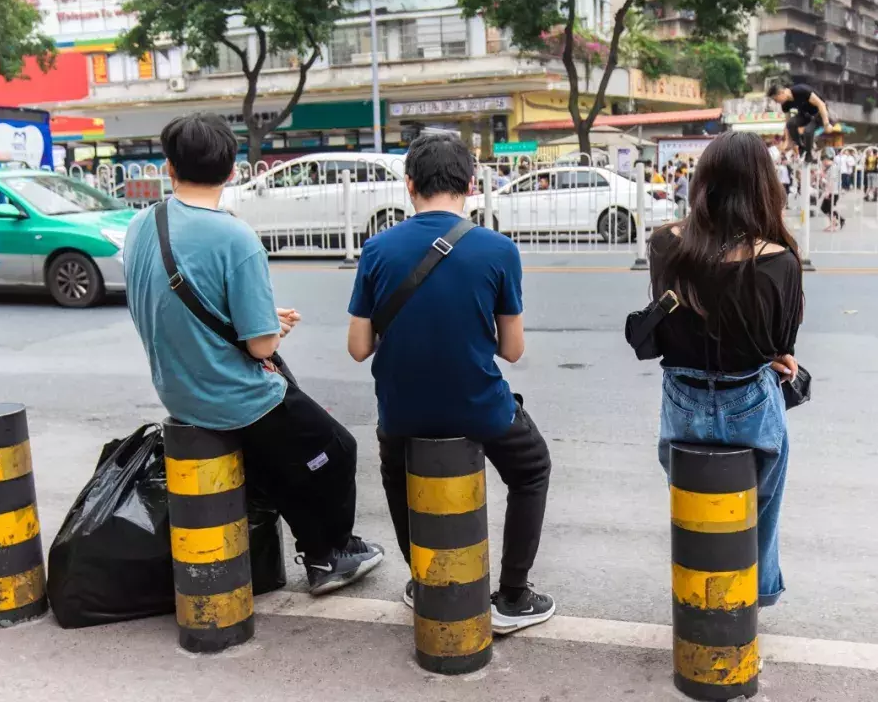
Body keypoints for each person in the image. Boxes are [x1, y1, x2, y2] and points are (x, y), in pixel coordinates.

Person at [123, 113, 384, 596]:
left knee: (284, 452)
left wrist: (258, 321)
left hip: (177, 387)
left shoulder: (143, 223)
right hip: (229, 394)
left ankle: (315, 549)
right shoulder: (234, 237)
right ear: (232, 171)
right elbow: (261, 346)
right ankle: (332, 553)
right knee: (336, 450)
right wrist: (269, 328)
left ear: (169, 168)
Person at [346, 134, 555, 635]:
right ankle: (512, 595)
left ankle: (425, 582)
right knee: (532, 470)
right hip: (478, 406)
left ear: (409, 185)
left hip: (401, 412)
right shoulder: (498, 249)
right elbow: (512, 349)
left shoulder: (378, 248)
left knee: (398, 479)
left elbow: (358, 348)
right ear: (470, 185)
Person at [646, 131, 803, 611]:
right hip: (749, 401)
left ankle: (697, 583)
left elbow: (665, 319)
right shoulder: (780, 260)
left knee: (692, 502)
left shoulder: (663, 244)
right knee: (764, 503)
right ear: (763, 188)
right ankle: (758, 588)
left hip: (682, 399)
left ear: (702, 183)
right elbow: (781, 348)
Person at [767, 83, 834, 163]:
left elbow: (821, 104)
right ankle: (801, 146)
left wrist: (826, 124)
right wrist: (787, 140)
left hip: (819, 113)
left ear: (781, 92)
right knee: (791, 124)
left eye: (776, 100)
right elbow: (787, 122)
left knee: (808, 131)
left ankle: (809, 155)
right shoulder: (785, 104)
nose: (777, 102)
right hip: (805, 114)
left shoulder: (800, 91)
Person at [821, 155, 844, 231]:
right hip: (832, 191)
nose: (823, 163)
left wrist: (828, 192)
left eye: (823, 162)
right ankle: (839, 220)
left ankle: (834, 224)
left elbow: (832, 181)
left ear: (826, 160)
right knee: (825, 208)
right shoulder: (831, 168)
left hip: (833, 192)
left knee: (828, 208)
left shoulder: (833, 168)